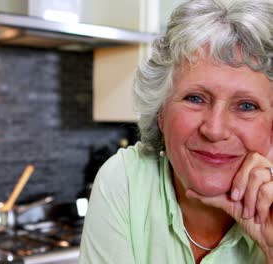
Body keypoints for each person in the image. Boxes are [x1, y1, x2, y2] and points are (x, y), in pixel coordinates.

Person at [79, 0, 273, 263]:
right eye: (195, 98)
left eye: (247, 106)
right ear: (161, 113)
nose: (214, 130)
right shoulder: (124, 181)